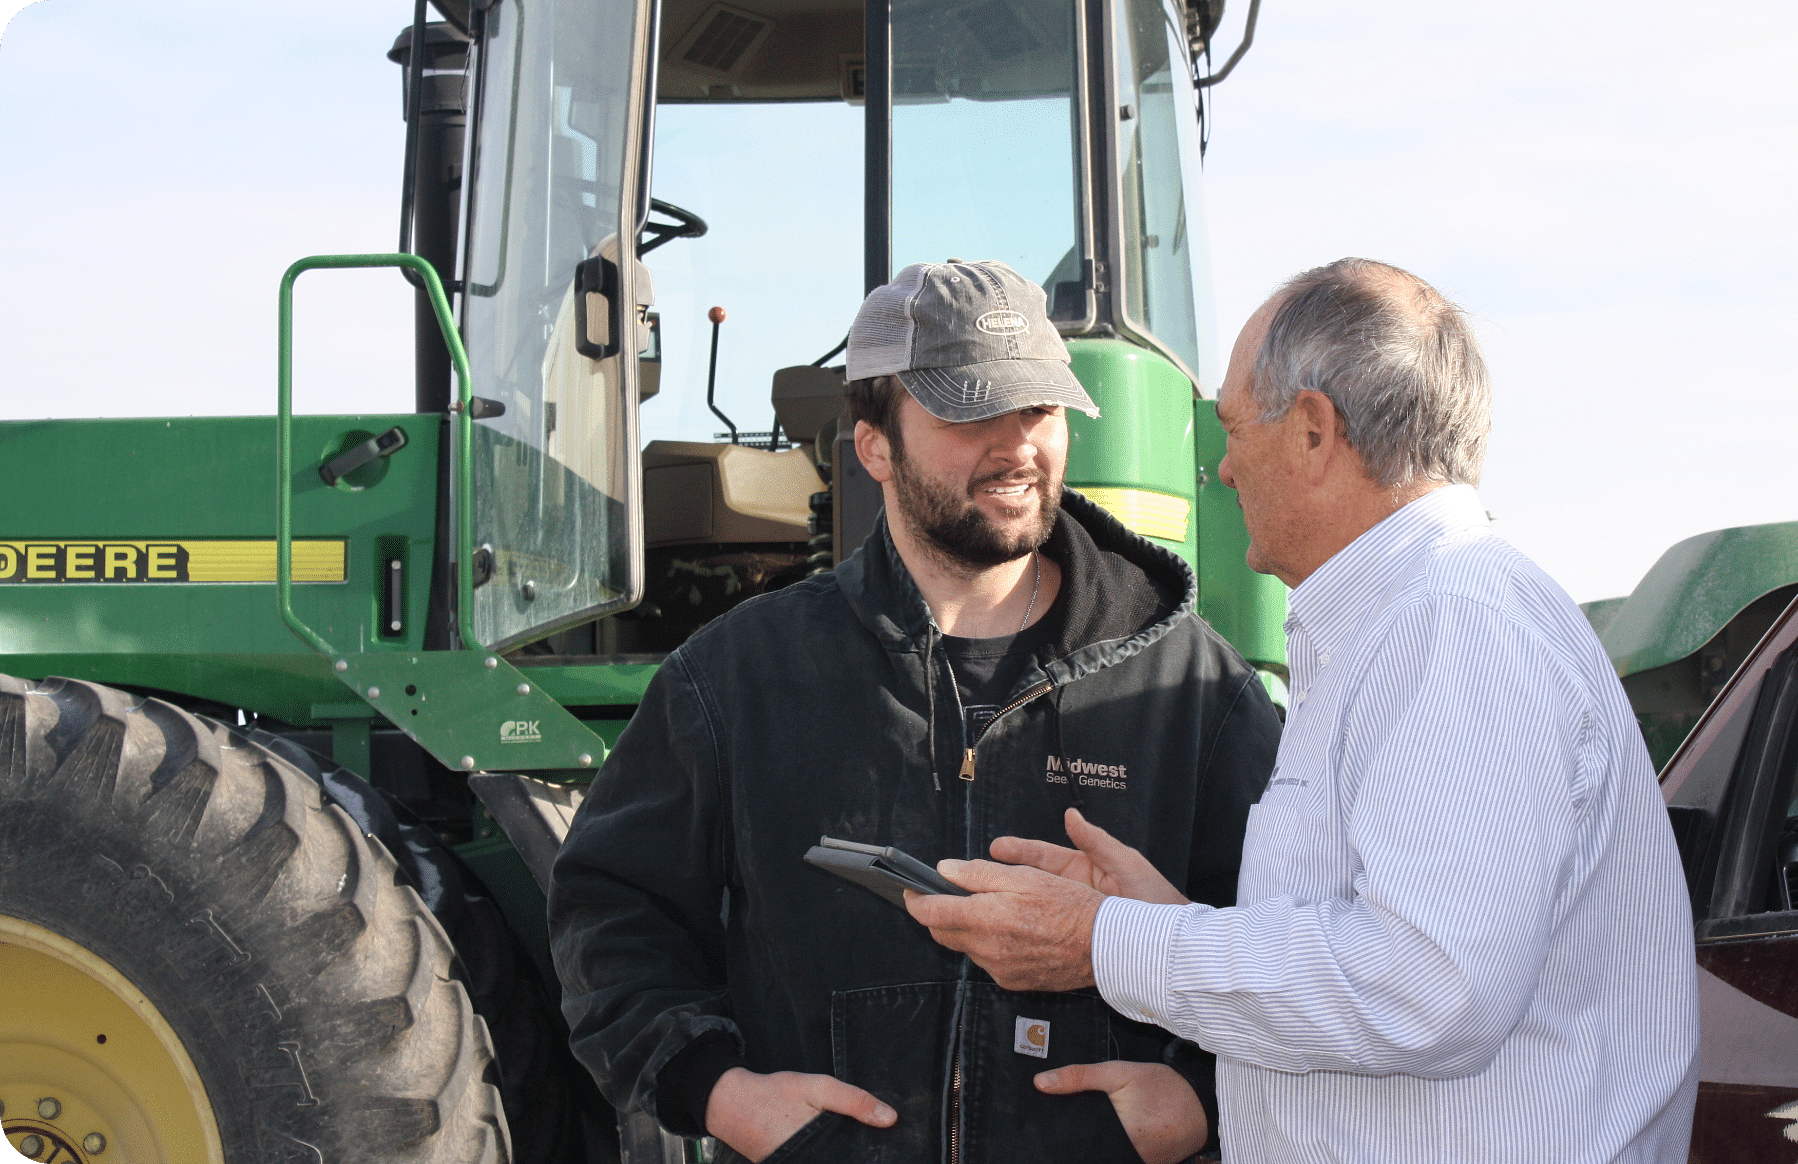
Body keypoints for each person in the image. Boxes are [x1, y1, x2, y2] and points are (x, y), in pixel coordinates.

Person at [908, 258, 1702, 1163]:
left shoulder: (1460, 628)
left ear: (1317, 432)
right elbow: (1364, 943)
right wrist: (1170, 921)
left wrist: (1110, 944)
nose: (1224, 466)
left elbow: (1426, 988)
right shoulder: (1402, 624)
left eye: (1238, 429)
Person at [548, 259, 1282, 1164]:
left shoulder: (1188, 687)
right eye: (971, 413)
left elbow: (1292, 943)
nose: (1017, 447)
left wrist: (1200, 1099)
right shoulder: (743, 676)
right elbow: (610, 912)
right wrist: (724, 1093)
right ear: (874, 447)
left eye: (1040, 410)